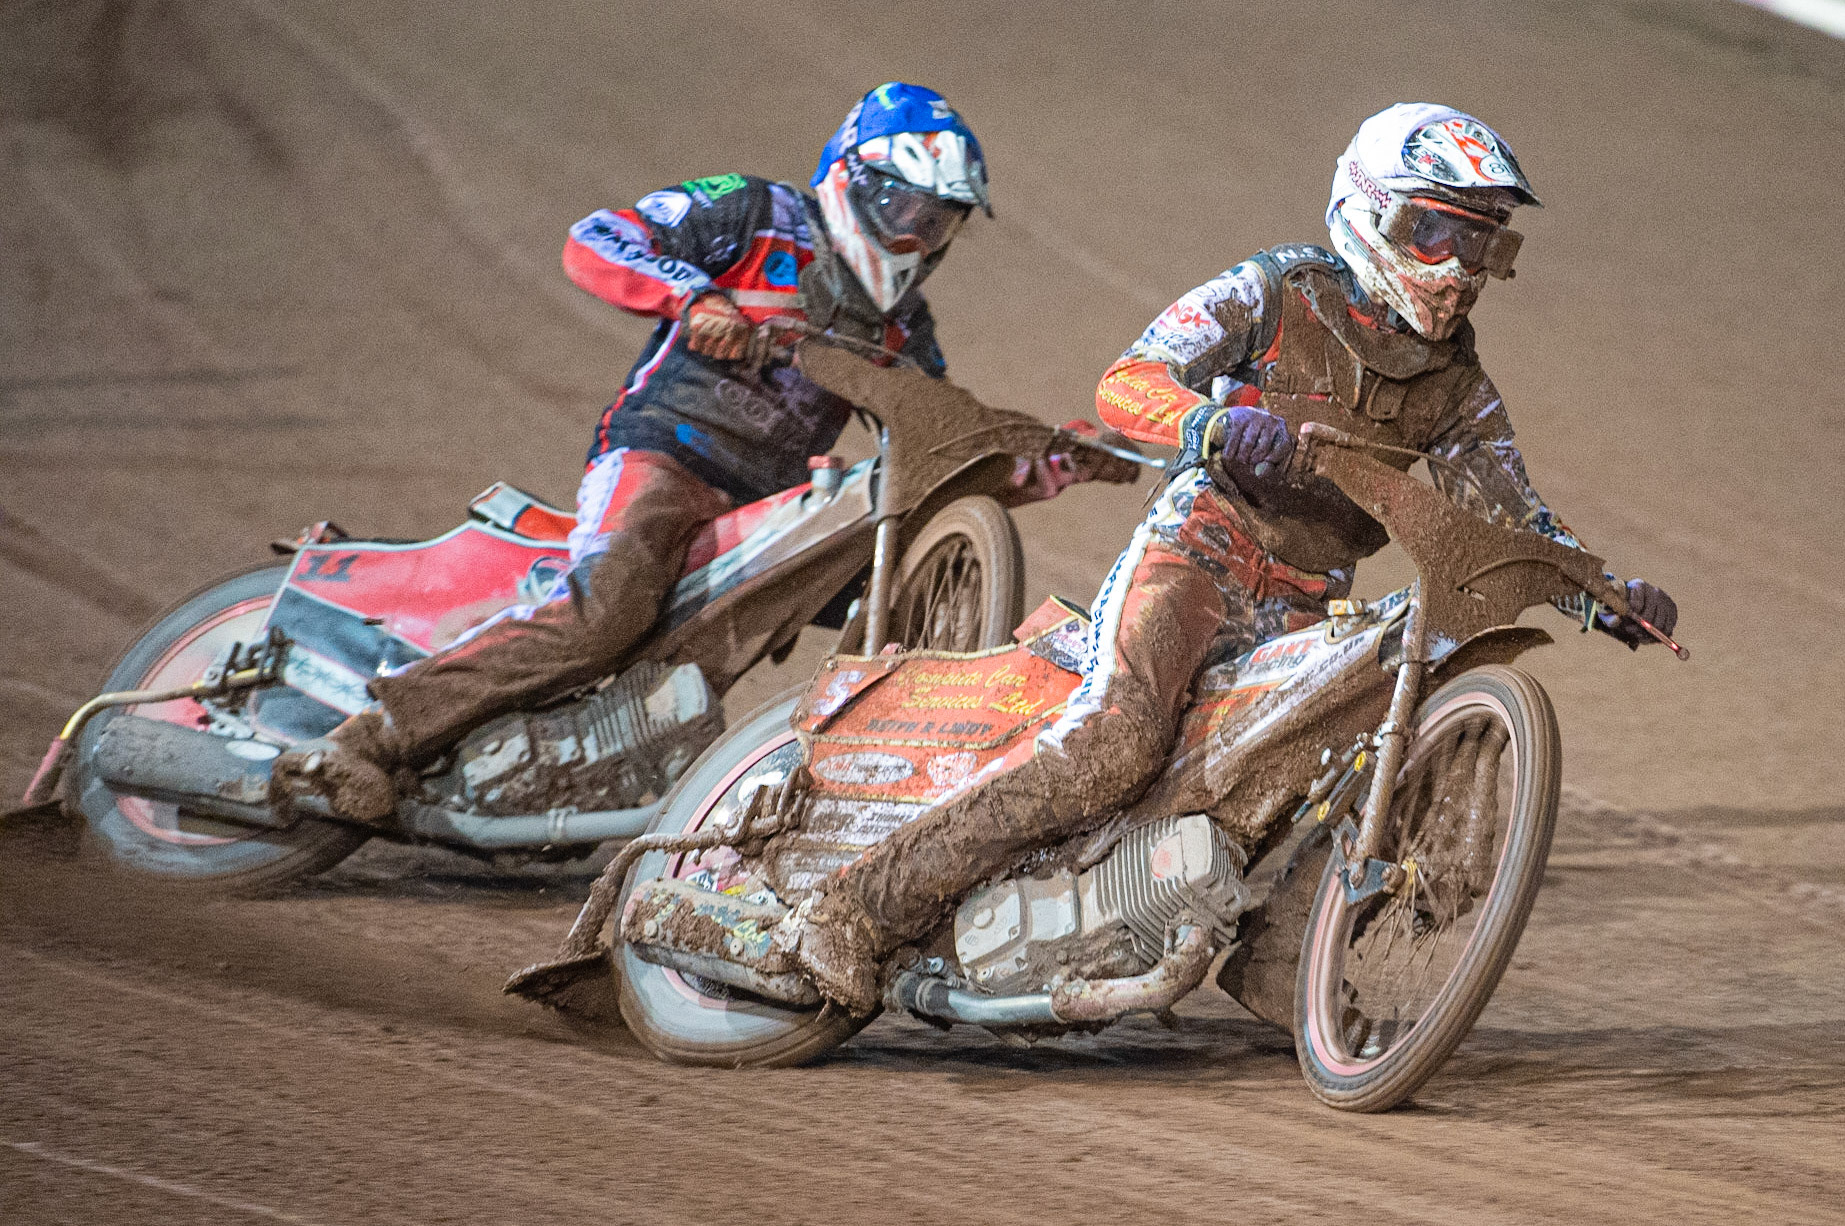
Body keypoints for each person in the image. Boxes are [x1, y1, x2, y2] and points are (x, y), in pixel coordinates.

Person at [789, 102, 1680, 1013]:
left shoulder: (1459, 390)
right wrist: (1209, 423)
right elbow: (1127, 382)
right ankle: (850, 910)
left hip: (1305, 607)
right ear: (1371, 211)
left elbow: (1514, 515)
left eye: (1484, 247)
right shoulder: (1275, 291)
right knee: (1111, 741)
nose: (1460, 271)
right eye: (1436, 232)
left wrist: (1599, 591)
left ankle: (1279, 958)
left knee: (1362, 751)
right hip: (1196, 557)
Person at [275, 82, 1108, 823]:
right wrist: (691, 295)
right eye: (907, 212)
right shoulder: (752, 211)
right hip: (663, 457)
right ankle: (370, 738)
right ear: (855, 180)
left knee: (884, 593)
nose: (918, 238)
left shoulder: (902, 327)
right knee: (608, 615)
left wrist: (1035, 471)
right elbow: (597, 238)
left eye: (939, 221)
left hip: (763, 505)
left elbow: (929, 435)